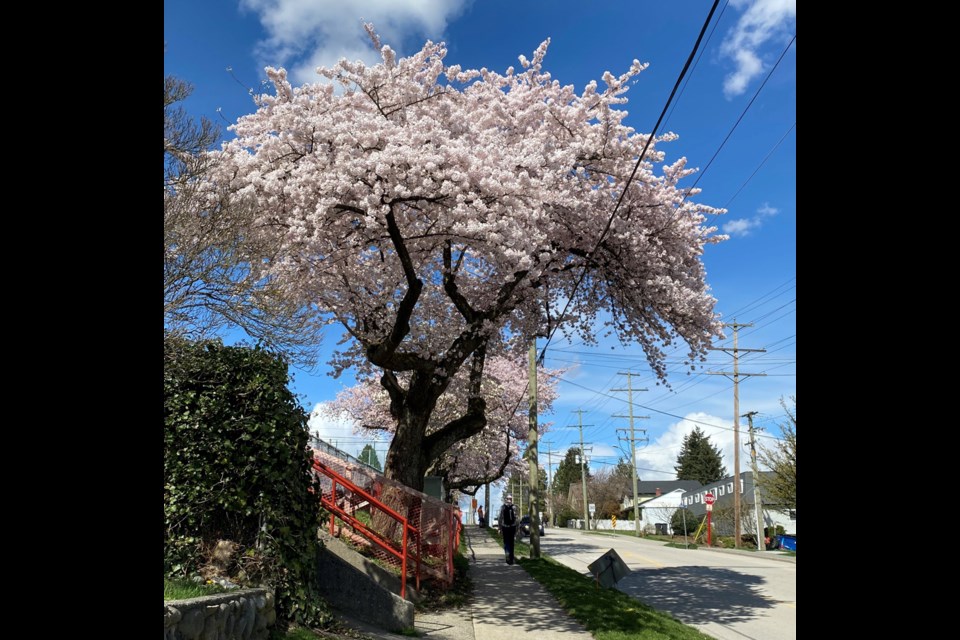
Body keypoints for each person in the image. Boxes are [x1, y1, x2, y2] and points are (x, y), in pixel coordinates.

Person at [498, 494, 519, 564]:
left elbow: (500, 518)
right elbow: (517, 518)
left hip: (505, 527)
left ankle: (507, 553)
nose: (509, 500)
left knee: (506, 542)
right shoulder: (514, 507)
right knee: (511, 543)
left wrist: (499, 528)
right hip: (512, 527)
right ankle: (511, 558)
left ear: (506, 499)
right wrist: (517, 528)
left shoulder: (502, 507)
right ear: (511, 499)